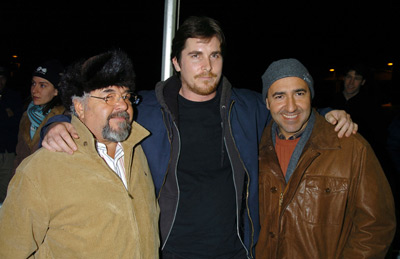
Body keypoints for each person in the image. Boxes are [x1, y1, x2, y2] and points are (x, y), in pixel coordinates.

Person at [40, 17, 357, 258]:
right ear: (176, 62)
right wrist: (51, 128)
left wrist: (330, 113)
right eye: (196, 56)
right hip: (166, 250)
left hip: (234, 250)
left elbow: (290, 113)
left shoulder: (245, 107)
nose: (207, 67)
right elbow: (90, 116)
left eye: (215, 55)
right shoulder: (146, 108)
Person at [0, 50, 160, 258]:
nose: (123, 105)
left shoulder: (136, 154)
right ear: (79, 107)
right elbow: (10, 249)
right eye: (108, 96)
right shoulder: (41, 169)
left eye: (126, 96)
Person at [255, 58, 396, 258]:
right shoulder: (254, 149)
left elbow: (377, 226)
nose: (291, 106)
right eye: (279, 96)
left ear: (311, 95)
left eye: (299, 93)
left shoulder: (350, 147)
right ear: (267, 103)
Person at [12, 59, 66, 172]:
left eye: (42, 85)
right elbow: (19, 155)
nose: (34, 90)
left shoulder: (64, 117)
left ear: (56, 91)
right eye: (33, 83)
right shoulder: (27, 115)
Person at [0, 65, 23, 203]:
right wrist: (6, 114)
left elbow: (18, 121)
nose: (0, 81)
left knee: (5, 189)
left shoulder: (13, 96)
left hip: (9, 152)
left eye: (2, 78)